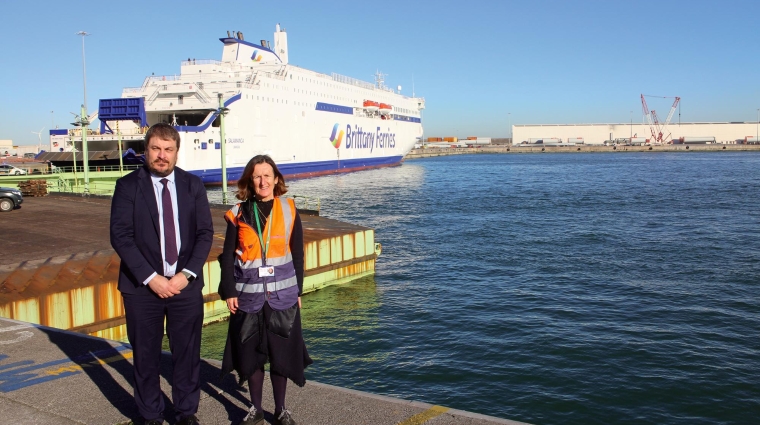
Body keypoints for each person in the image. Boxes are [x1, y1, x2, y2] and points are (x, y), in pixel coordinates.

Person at [110, 123, 214, 425]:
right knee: (145, 357)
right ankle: (150, 415)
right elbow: (121, 236)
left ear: (177, 153)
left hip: (185, 286)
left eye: (168, 150)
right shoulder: (128, 186)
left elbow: (205, 234)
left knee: (187, 354)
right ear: (146, 150)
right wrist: (151, 278)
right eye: (156, 148)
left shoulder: (193, 185)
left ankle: (185, 412)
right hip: (142, 289)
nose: (162, 155)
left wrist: (187, 274)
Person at [218, 155, 312, 425]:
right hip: (249, 296)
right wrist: (229, 292)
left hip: (282, 297)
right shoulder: (237, 213)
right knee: (253, 356)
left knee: (280, 356)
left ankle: (281, 410)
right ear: (250, 180)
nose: (263, 181)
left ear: (277, 179)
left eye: (267, 175)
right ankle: (256, 409)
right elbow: (227, 257)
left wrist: (298, 292)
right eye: (257, 176)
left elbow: (297, 255)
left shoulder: (289, 209)